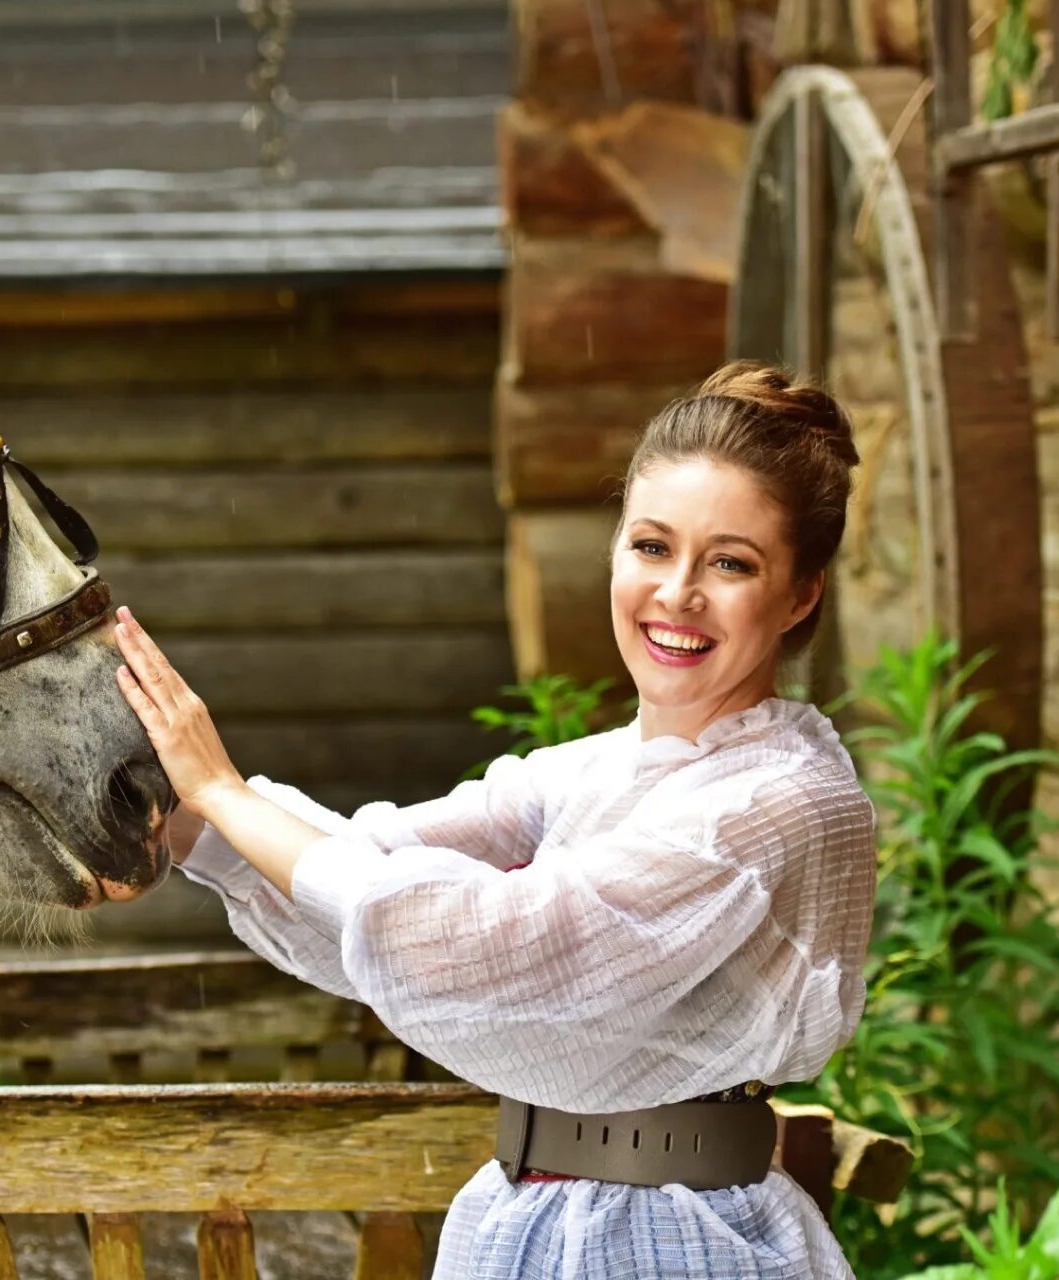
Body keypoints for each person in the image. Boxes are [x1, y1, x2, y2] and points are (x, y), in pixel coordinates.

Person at [113, 360, 877, 1279]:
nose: (677, 592)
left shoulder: (780, 800)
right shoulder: (588, 772)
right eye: (650, 547)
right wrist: (171, 820)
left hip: (686, 1242)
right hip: (523, 1224)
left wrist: (227, 793)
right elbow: (366, 864)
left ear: (801, 594)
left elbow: (478, 941)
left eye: (730, 562)